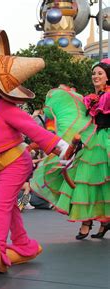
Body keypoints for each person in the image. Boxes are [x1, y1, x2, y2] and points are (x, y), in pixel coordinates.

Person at [32, 61, 109, 239]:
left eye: (100, 73)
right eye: (94, 73)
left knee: (102, 182)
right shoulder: (93, 97)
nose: (95, 76)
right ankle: (88, 221)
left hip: (106, 140)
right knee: (85, 179)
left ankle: (102, 221)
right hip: (94, 139)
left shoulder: (107, 96)